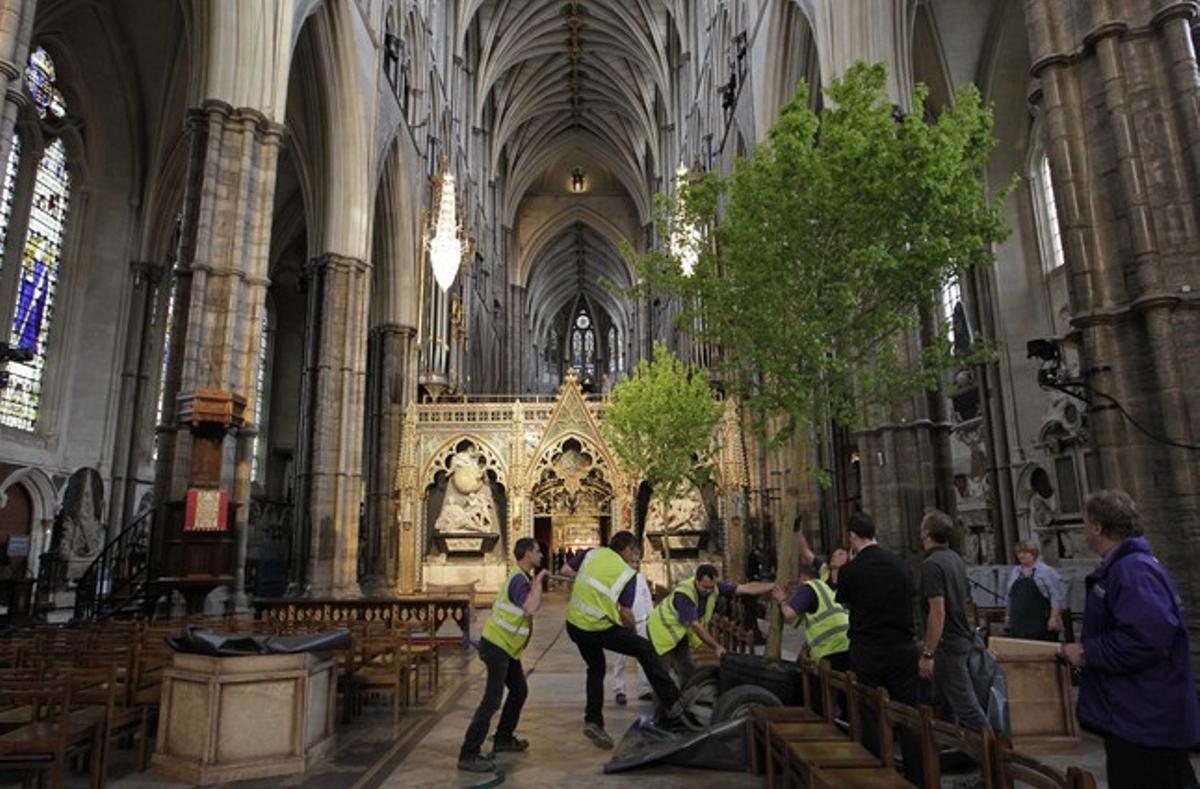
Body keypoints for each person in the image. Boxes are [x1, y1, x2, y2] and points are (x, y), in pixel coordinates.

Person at [1061, 490, 1200, 789]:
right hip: (1134, 714)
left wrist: (1088, 652)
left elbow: (1146, 638)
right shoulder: (1126, 566)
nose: (1084, 529)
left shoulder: (1133, 569)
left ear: (1098, 527)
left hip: (1145, 717)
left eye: (1086, 522)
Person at [562, 530, 683, 749]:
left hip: (575, 625)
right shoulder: (627, 575)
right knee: (645, 649)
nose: (635, 557)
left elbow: (566, 570)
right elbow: (626, 614)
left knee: (596, 668)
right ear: (626, 549)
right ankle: (673, 702)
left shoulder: (591, 553)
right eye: (634, 552)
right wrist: (631, 633)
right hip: (597, 627)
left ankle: (593, 722)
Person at [835, 512, 924, 784]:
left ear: (852, 536)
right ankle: (917, 777)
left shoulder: (852, 569)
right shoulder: (902, 564)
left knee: (870, 713)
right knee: (909, 714)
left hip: (868, 648)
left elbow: (844, 600)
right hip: (902, 647)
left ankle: (876, 776)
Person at [458, 537, 549, 772]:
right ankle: (469, 753)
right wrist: (539, 581)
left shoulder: (521, 577)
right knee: (492, 700)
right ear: (527, 554)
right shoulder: (519, 580)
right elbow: (531, 607)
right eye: (538, 550)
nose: (541, 554)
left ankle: (503, 738)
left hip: (507, 648)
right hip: (497, 646)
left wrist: (536, 581)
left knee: (519, 690)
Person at [918, 510, 989, 731]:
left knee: (967, 706)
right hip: (962, 638)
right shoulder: (955, 559)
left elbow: (937, 612)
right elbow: (967, 601)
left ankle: (995, 754)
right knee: (944, 702)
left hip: (948, 643)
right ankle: (950, 750)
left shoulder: (932, 565)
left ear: (927, 532)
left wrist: (928, 652)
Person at [647, 564, 777, 683]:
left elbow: (744, 589)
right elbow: (695, 625)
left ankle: (686, 700)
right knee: (662, 675)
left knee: (687, 668)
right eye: (704, 587)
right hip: (661, 633)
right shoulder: (684, 595)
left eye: (711, 587)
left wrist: (771, 586)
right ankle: (663, 708)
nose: (708, 591)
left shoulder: (715, 587)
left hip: (678, 634)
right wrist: (716, 646)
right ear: (696, 581)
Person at [775, 561, 850, 672]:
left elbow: (789, 615)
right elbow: (796, 620)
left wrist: (781, 599)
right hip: (846, 645)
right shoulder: (824, 587)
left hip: (829, 650)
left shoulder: (808, 588)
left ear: (803, 577)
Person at [609, 560, 653, 704]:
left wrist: (649, 618)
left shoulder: (640, 578)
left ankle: (644, 689)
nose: (633, 564)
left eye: (635, 562)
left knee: (643, 656)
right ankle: (619, 690)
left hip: (640, 620)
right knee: (620, 659)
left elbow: (647, 599)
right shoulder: (616, 578)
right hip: (621, 622)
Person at [1004, 540, 1066, 641]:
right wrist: (1007, 616)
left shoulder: (1046, 571)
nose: (1021, 555)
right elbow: (1009, 597)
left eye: (1025, 552)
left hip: (1041, 622)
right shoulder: (1015, 572)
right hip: (1018, 623)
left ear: (1033, 553)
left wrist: (1053, 618)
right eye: (1019, 553)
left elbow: (1056, 597)